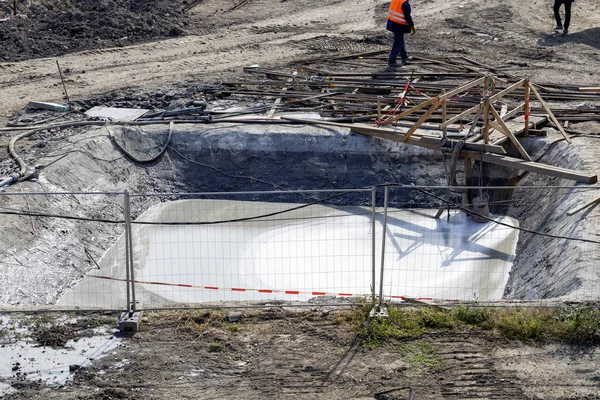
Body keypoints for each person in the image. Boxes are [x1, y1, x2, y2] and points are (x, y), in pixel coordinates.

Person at [386, 0, 417, 69]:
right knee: (398, 42)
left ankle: (404, 57)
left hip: (392, 22)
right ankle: (391, 60)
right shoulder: (405, 4)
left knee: (400, 40)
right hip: (399, 25)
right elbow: (408, 17)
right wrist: (412, 26)